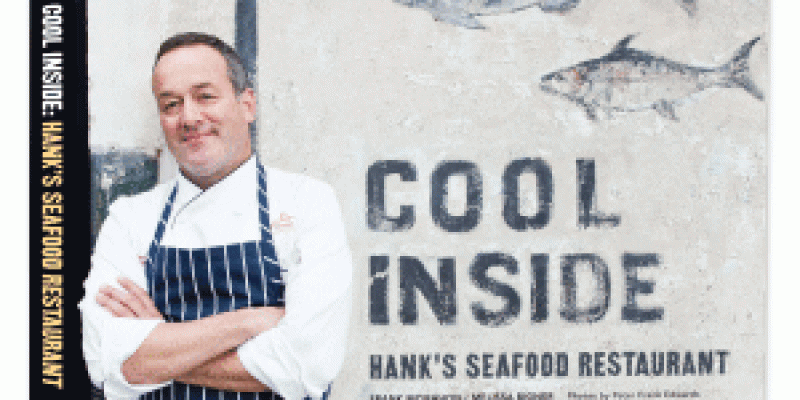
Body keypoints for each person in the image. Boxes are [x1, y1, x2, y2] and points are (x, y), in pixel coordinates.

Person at [79, 32, 353, 400]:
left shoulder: (307, 202)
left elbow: (305, 367)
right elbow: (106, 362)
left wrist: (157, 347)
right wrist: (250, 321)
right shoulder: (130, 218)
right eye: (171, 104)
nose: (189, 117)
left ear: (247, 105)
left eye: (205, 96)